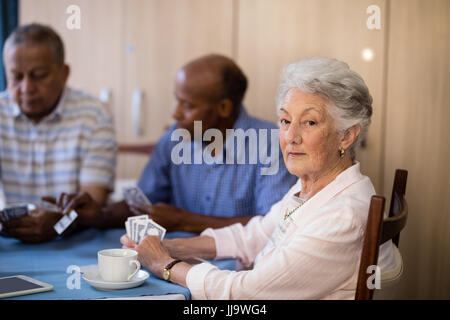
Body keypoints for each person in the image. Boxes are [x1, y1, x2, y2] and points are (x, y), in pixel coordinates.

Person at [120, 57, 397, 299]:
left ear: (347, 135)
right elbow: (255, 236)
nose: (291, 137)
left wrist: (164, 265)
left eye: (310, 122)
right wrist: (169, 246)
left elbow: (245, 293)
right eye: (286, 121)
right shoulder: (312, 188)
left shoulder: (341, 217)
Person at [60, 54, 297, 233]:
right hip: (174, 265)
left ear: (224, 108)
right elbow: (143, 203)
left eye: (187, 105)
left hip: (238, 273)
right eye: (177, 101)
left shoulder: (270, 145)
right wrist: (97, 214)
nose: (175, 113)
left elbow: (273, 227)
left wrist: (184, 221)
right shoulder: (174, 139)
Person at [0, 24, 117, 243]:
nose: (26, 88)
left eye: (39, 75)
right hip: (11, 240)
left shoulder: (94, 114)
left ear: (64, 74)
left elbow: (93, 202)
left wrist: (60, 224)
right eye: (16, 77)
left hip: (75, 239)